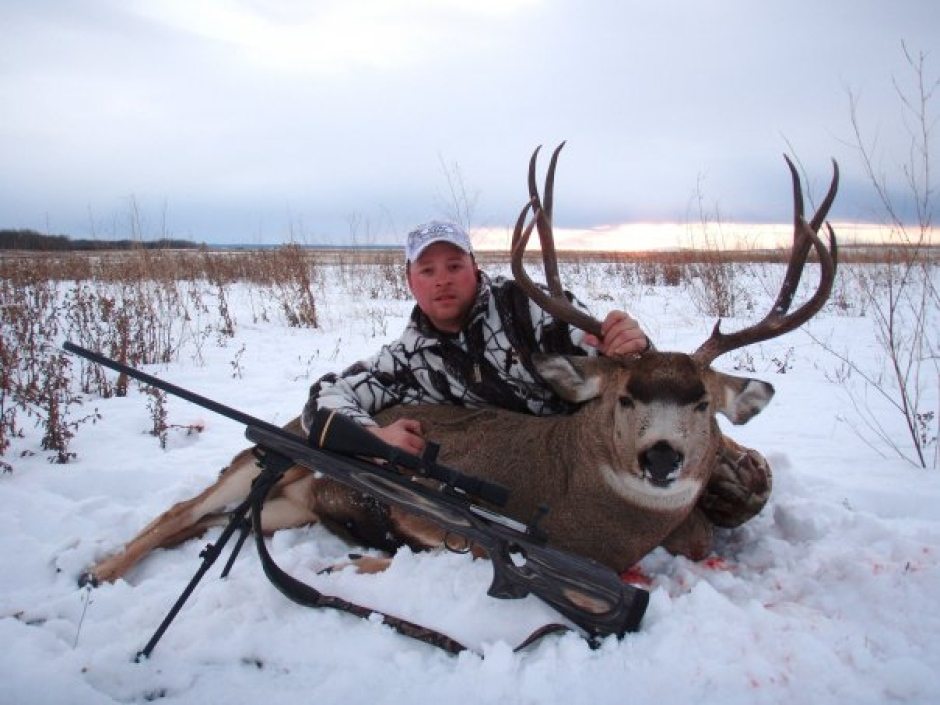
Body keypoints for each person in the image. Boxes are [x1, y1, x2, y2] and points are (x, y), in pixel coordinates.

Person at [301, 220, 771, 529]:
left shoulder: (529, 309)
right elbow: (327, 396)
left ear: (474, 269)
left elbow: (620, 361)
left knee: (741, 495)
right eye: (427, 269)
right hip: (541, 461)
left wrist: (629, 344)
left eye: (454, 265)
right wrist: (371, 436)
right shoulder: (407, 359)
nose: (442, 279)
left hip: (619, 429)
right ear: (410, 281)